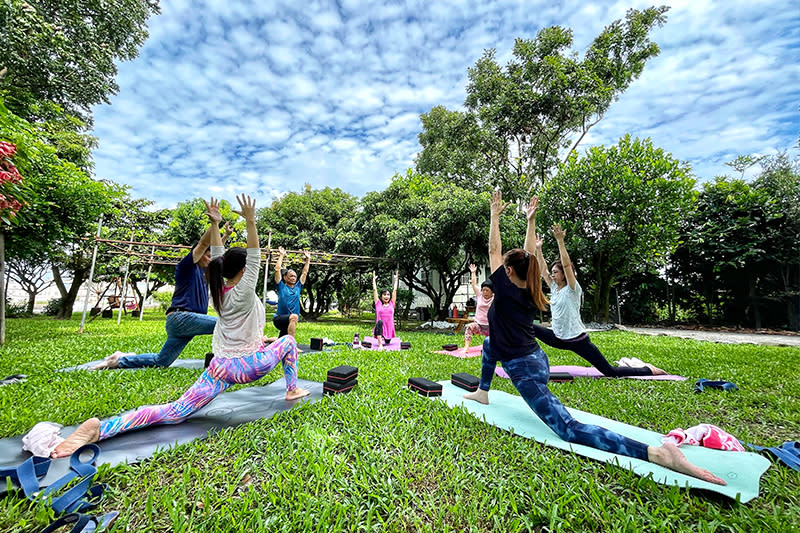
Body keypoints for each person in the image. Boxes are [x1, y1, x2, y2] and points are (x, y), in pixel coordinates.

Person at [463, 191, 725, 485]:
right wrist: (530, 221)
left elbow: (492, 250)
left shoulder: (509, 289)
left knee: (568, 429)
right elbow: (529, 257)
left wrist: (495, 216)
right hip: (535, 358)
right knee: (488, 344)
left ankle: (657, 453)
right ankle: (483, 392)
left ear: (508, 271)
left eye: (505, 266)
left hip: (524, 370)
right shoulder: (531, 286)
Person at [51, 195, 310, 458]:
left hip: (220, 367)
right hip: (248, 367)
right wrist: (251, 222)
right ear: (244, 271)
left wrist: (216, 225)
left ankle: (103, 429)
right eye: (249, 268)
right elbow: (254, 258)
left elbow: (220, 256)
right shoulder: (243, 292)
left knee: (176, 411)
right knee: (288, 341)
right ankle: (292, 390)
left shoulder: (217, 289)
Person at [530, 199, 665, 377]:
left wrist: (560, 242)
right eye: (553, 273)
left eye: (556, 272)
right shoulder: (555, 288)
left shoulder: (572, 288)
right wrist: (539, 249)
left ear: (563, 274)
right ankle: (524, 360)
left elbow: (568, 266)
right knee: (527, 326)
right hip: (558, 338)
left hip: (577, 340)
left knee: (609, 371)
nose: (553, 275)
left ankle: (649, 370)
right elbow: (543, 268)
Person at [92, 202, 232, 370]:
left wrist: (224, 237)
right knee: (228, 324)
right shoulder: (187, 267)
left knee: (161, 361)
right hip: (183, 318)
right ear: (200, 255)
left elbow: (215, 253)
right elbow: (202, 245)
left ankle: (119, 360)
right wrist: (214, 224)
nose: (210, 260)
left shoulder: (204, 273)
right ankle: (229, 362)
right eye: (207, 256)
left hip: (183, 325)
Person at [272, 246, 311, 338]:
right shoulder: (281, 286)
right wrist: (281, 255)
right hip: (279, 319)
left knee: (281, 340)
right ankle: (292, 344)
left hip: (291, 321)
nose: (293, 278)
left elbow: (304, 273)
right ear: (285, 277)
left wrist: (308, 260)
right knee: (294, 316)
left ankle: (267, 339)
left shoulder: (298, 287)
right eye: (291, 276)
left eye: (295, 276)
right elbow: (277, 269)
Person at [461, 263, 493, 354]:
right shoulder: (479, 295)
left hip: (491, 327)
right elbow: (474, 284)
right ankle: (466, 348)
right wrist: (473, 272)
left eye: (487, 290)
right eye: (483, 290)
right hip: (479, 325)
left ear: (492, 291)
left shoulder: (495, 298)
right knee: (469, 327)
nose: (485, 292)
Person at [372, 269, 399, 346]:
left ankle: (386, 338)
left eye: (388, 295)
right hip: (379, 329)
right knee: (379, 322)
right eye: (384, 294)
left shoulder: (392, 304)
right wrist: (374, 280)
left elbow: (395, 290)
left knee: (388, 342)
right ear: (381, 296)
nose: (386, 296)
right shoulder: (378, 304)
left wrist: (396, 280)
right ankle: (380, 344)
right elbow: (374, 290)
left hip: (389, 329)